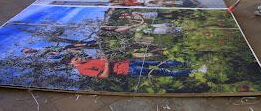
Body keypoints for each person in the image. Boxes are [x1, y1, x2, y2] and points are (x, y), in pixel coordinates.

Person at [70, 56, 206, 79]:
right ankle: (194, 71)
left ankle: (188, 63)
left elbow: (107, 62)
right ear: (73, 64)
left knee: (160, 62)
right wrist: (106, 63)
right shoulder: (82, 70)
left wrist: (108, 60)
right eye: (76, 59)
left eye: (77, 57)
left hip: (130, 63)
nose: (79, 58)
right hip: (129, 70)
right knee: (163, 71)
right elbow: (104, 75)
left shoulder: (87, 61)